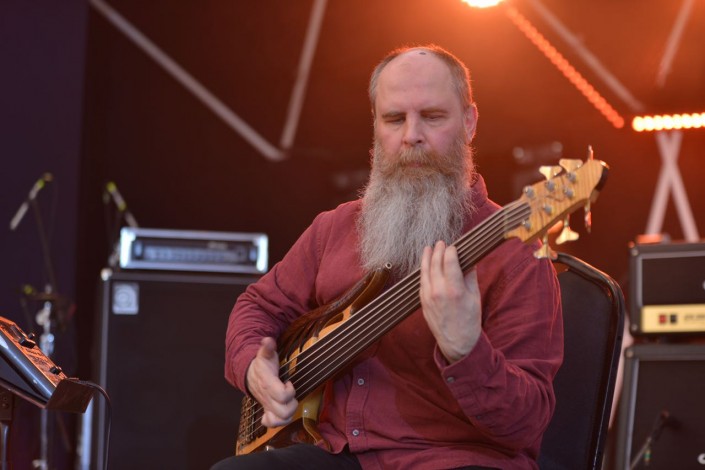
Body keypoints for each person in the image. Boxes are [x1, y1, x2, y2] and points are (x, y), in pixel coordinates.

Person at [212, 44, 563, 470]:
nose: (411, 135)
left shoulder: (519, 254)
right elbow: (258, 306)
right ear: (376, 127)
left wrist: (466, 350)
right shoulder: (335, 227)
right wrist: (254, 368)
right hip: (339, 454)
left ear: (469, 123)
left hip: (454, 460)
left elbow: (525, 424)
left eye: (432, 116)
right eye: (394, 119)